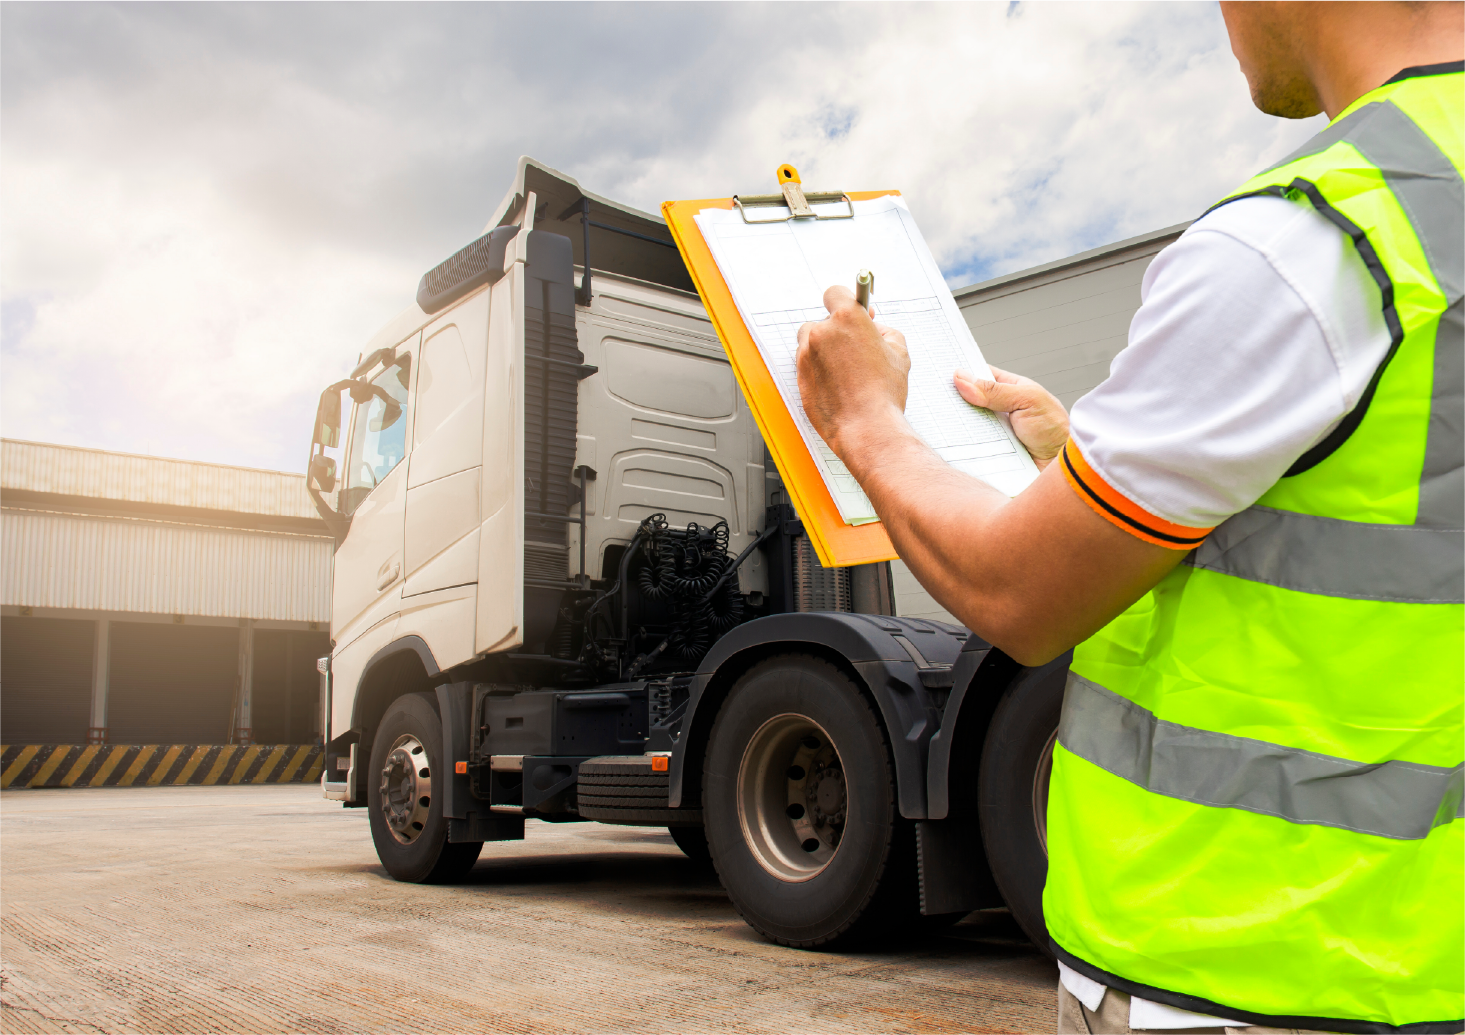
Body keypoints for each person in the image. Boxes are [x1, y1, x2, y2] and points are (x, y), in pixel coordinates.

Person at [794, 2, 1465, 1033]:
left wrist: (864, 420)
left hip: (1256, 970)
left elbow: (1013, 592)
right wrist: (1079, 464)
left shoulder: (1318, 234)